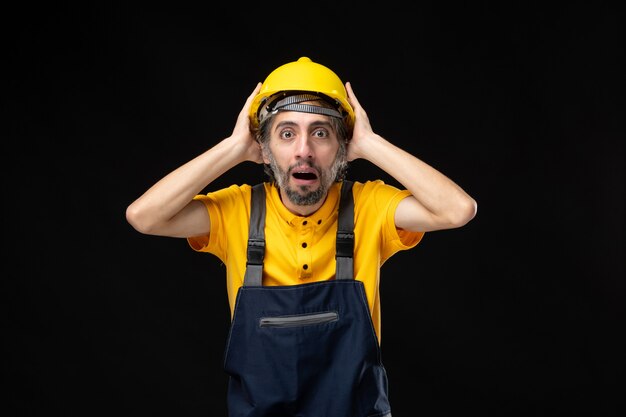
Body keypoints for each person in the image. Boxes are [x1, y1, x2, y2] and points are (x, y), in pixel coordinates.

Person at [126, 56, 477, 417]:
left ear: (342, 147)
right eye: (286, 133)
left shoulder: (368, 206)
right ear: (264, 148)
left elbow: (457, 210)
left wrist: (370, 144)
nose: (304, 150)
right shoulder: (238, 211)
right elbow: (144, 217)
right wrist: (233, 148)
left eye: (321, 133)